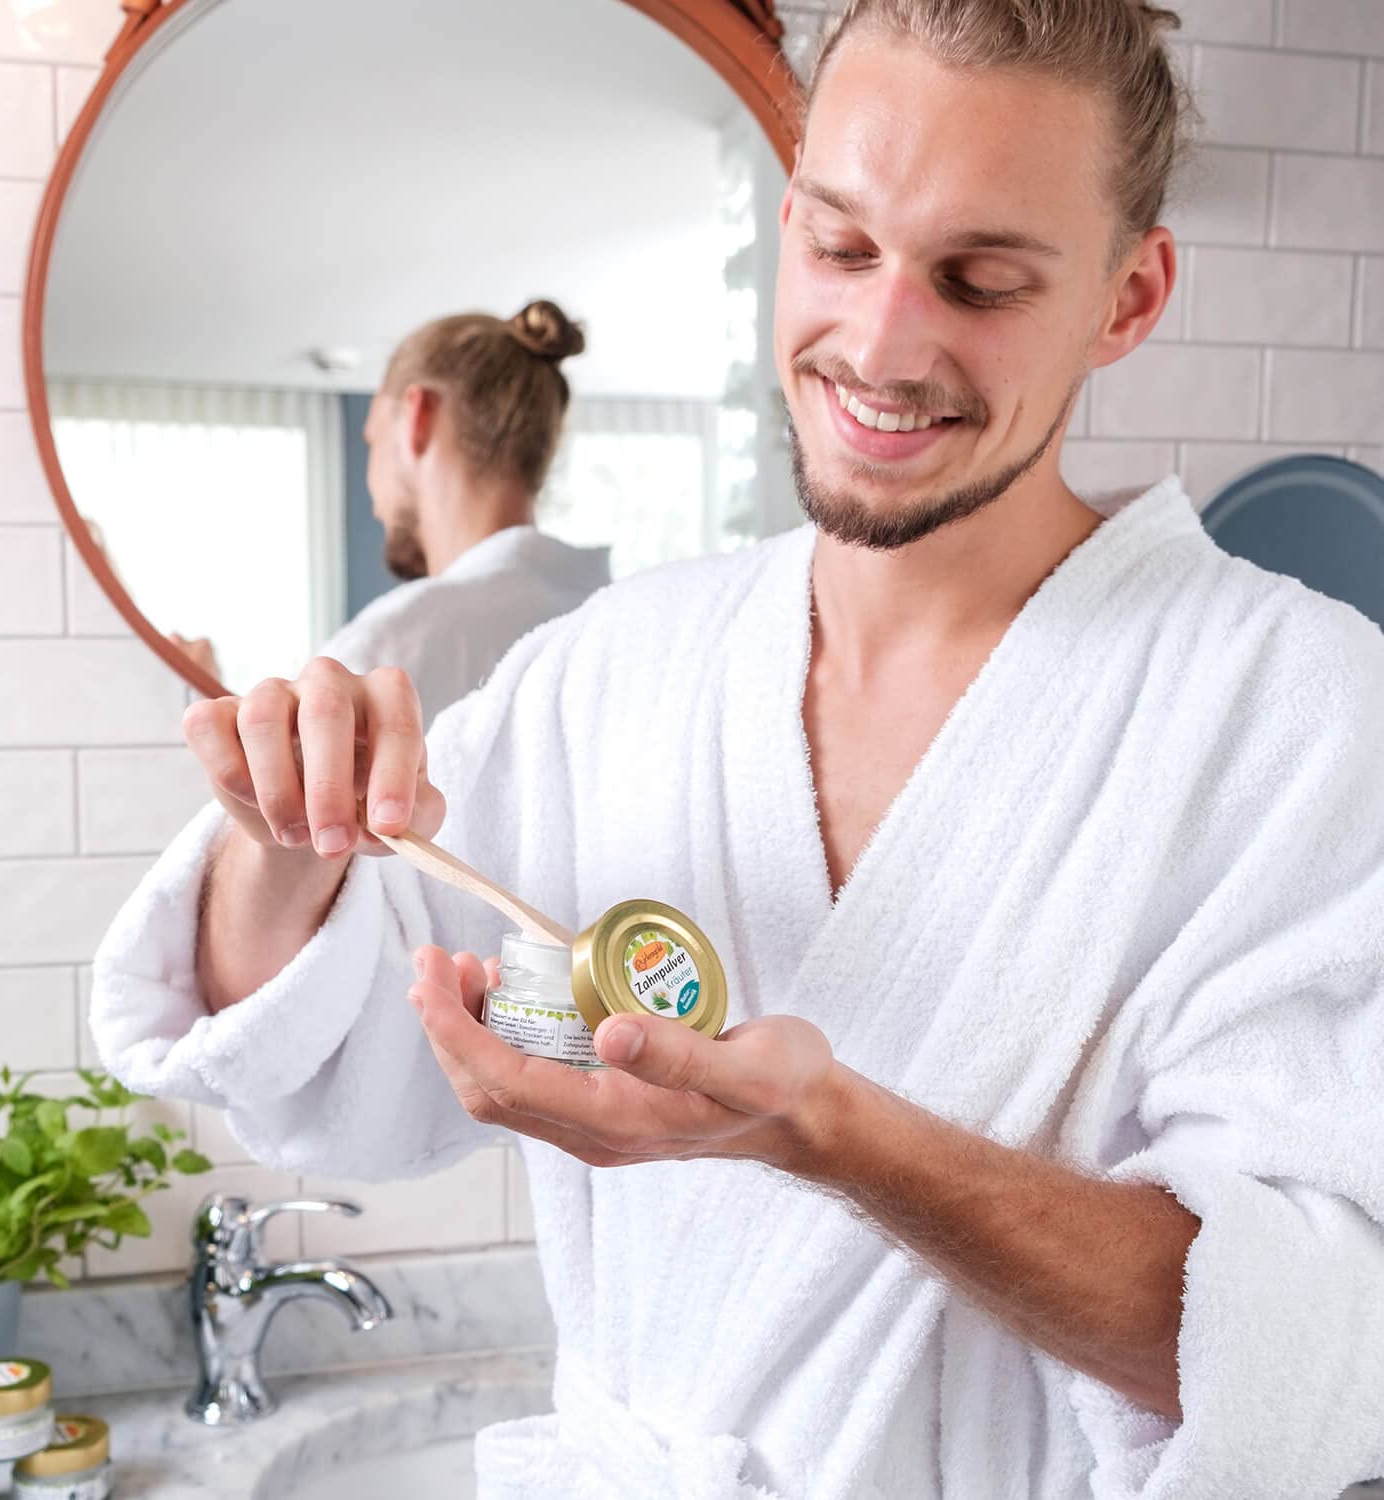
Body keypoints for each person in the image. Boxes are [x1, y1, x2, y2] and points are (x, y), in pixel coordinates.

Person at [90, 2, 1384, 1496]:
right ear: (787, 228)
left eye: (979, 280)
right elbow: (328, 1070)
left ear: (1126, 296)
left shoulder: (1300, 712)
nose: (881, 345)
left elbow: (1316, 1348)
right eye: (842, 247)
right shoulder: (613, 669)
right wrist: (279, 842)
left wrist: (836, 1137)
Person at [321, 297, 610, 728]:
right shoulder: (613, 617)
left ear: (417, 418)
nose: (373, 492)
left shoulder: (384, 651)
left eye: (372, 442)